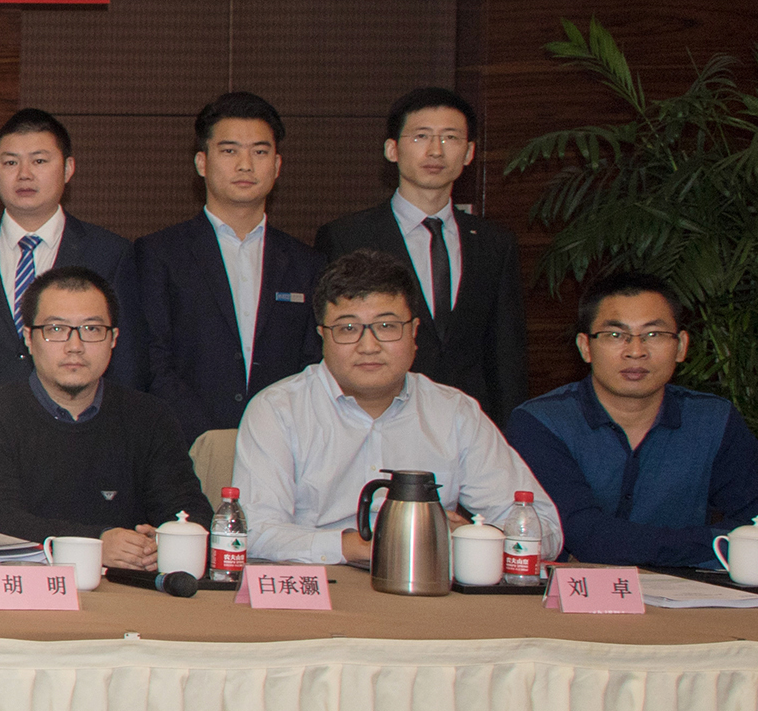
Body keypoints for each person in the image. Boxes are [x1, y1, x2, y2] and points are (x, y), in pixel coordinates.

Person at [231, 250, 558, 566]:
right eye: (348, 329)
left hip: (427, 585)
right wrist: (361, 546)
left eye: (386, 326)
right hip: (322, 585)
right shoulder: (278, 410)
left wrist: (474, 539)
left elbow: (542, 527)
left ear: (414, 333)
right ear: (322, 338)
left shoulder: (454, 412)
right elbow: (253, 531)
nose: (368, 346)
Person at [505, 271, 758, 569]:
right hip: (576, 595)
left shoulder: (714, 420)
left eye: (654, 335)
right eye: (615, 335)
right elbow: (586, 536)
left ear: (681, 346)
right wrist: (715, 543)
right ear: (585, 347)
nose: (636, 352)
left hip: (688, 593)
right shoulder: (541, 423)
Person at [0, 266, 209, 568]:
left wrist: (165, 541)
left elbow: (190, 511)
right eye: (56, 330)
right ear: (29, 338)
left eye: (92, 330)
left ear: (113, 339)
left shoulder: (151, 417)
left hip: (130, 588)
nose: (75, 346)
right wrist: (97, 544)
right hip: (30, 585)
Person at [316, 88, 529, 422]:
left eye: (450, 137)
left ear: (469, 152)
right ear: (392, 149)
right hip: (376, 417)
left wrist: (509, 431)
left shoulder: (495, 242)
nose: (436, 150)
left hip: (469, 421)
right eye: (421, 136)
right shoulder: (346, 236)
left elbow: (507, 353)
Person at [0, 109, 141, 425]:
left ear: (68, 168)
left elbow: (126, 364)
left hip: (75, 428)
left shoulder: (109, 253)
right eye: (10, 163)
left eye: (39, 161)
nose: (24, 174)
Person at [132, 93, 325, 435]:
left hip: (285, 441)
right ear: (201, 163)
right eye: (230, 151)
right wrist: (209, 438)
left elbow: (314, 363)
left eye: (260, 152)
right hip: (188, 444)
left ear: (277, 165)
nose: (245, 165)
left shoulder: (306, 262)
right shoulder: (159, 254)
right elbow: (152, 361)